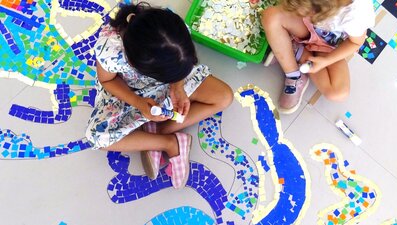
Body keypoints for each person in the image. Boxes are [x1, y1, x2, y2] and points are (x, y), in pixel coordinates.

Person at [85, 2, 233, 189]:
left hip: (169, 79)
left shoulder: (171, 29)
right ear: (132, 61)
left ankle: (162, 129)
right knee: (97, 137)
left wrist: (177, 86)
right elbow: (107, 81)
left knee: (224, 96)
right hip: (130, 93)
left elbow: (181, 67)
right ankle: (167, 143)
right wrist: (138, 103)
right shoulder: (110, 51)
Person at [261, 0, 375, 114]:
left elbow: (355, 43)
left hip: (329, 47)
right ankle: (294, 74)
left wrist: (326, 61)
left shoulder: (357, 14)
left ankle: (299, 52)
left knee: (338, 92)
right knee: (271, 16)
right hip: (306, 26)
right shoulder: (309, 9)